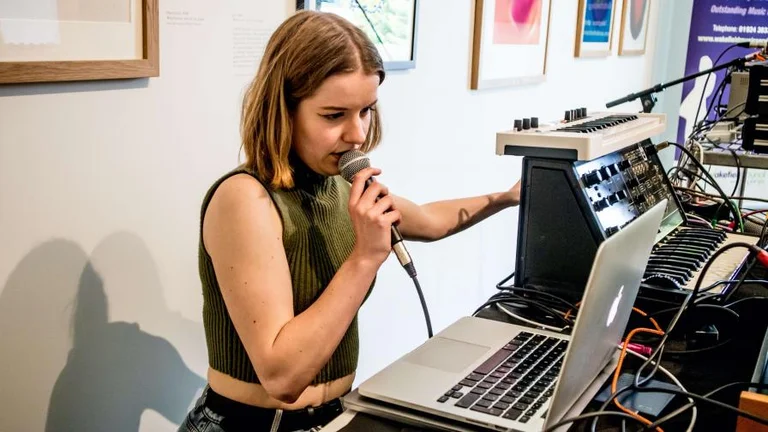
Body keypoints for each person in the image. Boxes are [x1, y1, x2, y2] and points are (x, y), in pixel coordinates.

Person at [178, 10, 521, 432]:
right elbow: (282, 377)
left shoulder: (339, 185)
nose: (357, 134)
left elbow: (431, 220)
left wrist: (508, 197)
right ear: (284, 109)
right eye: (334, 115)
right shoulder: (245, 199)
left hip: (334, 415)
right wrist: (364, 259)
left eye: (366, 111)